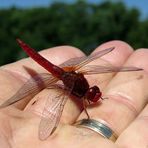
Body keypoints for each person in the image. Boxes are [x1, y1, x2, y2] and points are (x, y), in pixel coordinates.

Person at [0, 40, 147, 148]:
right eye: (93, 94)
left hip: (66, 74)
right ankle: (23, 44)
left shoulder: (82, 81)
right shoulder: (74, 90)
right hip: (61, 74)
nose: (95, 94)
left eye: (93, 92)